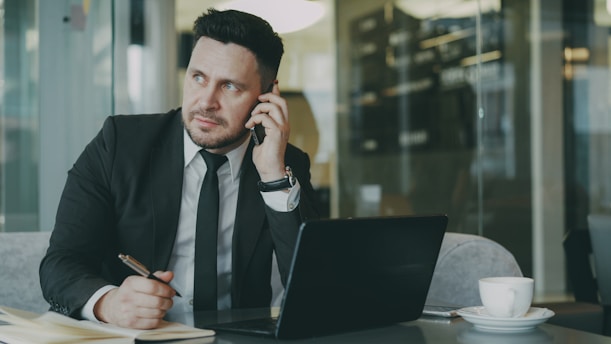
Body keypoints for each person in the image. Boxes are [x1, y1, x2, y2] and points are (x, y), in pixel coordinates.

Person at [39, 8, 319, 330]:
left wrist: (273, 177)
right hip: (136, 337)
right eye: (198, 77)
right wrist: (109, 303)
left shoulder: (286, 163)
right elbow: (60, 264)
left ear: (266, 96)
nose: (206, 101)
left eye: (229, 87)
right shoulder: (119, 144)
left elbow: (313, 290)